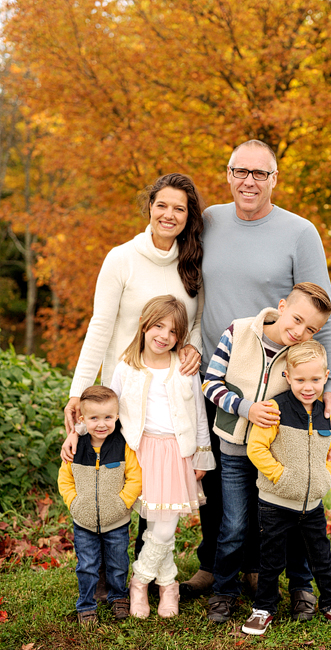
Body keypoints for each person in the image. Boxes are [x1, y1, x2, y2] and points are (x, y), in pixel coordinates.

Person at [180, 139, 331, 604]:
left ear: (275, 179)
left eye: (260, 173)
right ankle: (217, 568)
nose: (248, 181)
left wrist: (329, 384)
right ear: (228, 174)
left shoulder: (299, 232)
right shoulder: (208, 221)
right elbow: (183, 283)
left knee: (283, 480)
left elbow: (325, 311)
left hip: (279, 384)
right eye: (240, 171)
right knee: (219, 477)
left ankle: (286, 578)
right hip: (216, 378)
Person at [59, 172, 207, 599]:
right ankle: (110, 573)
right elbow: (100, 326)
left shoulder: (191, 263)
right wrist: (80, 390)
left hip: (169, 392)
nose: (169, 214)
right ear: (150, 206)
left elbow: (194, 321)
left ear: (187, 216)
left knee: (155, 489)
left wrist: (192, 348)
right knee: (113, 483)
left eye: (179, 208)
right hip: (121, 393)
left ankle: (144, 575)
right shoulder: (120, 258)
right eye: (162, 205)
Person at [202, 282, 331, 624]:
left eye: (311, 329)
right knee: (234, 524)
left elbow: (316, 404)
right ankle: (224, 591)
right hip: (236, 449)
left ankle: (299, 589)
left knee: (291, 524)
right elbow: (210, 383)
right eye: (296, 320)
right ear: (282, 306)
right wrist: (247, 408)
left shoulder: (303, 354)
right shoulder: (239, 332)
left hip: (281, 456)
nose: (299, 331)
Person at [109, 295, 215, 618]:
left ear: (179, 337)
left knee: (165, 527)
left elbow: (198, 413)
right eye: (158, 326)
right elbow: (109, 408)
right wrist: (81, 431)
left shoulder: (183, 368)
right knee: (155, 523)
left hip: (175, 453)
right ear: (145, 325)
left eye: (173, 332)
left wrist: (201, 455)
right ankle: (168, 583)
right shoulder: (127, 367)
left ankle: (140, 582)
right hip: (141, 452)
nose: (164, 336)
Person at [241, 340, 331, 636]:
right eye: (301, 379)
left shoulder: (326, 413)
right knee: (271, 559)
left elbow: (330, 450)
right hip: (275, 504)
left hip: (312, 506)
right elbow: (256, 448)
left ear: (326, 377)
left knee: (321, 558)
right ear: (288, 376)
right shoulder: (274, 409)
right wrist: (281, 476)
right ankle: (263, 608)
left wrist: (325, 476)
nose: (308, 387)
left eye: (316, 380)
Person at [57, 386, 141, 628]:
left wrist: (122, 503)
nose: (101, 424)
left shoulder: (123, 445)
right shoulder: (76, 446)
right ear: (82, 420)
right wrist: (74, 502)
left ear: (116, 416)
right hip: (83, 522)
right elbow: (65, 479)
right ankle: (86, 604)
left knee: (117, 563)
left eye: (108, 417)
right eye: (94, 418)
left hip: (117, 521)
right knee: (87, 565)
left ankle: (118, 597)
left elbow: (135, 478)